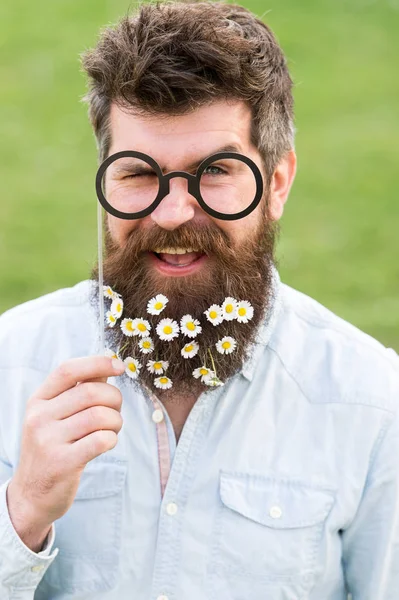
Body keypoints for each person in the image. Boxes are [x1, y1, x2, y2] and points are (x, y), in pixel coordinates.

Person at [0, 2, 398, 598]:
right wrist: (23, 512)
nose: (173, 212)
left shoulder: (372, 403)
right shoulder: (10, 366)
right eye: (137, 173)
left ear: (278, 183)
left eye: (215, 171)